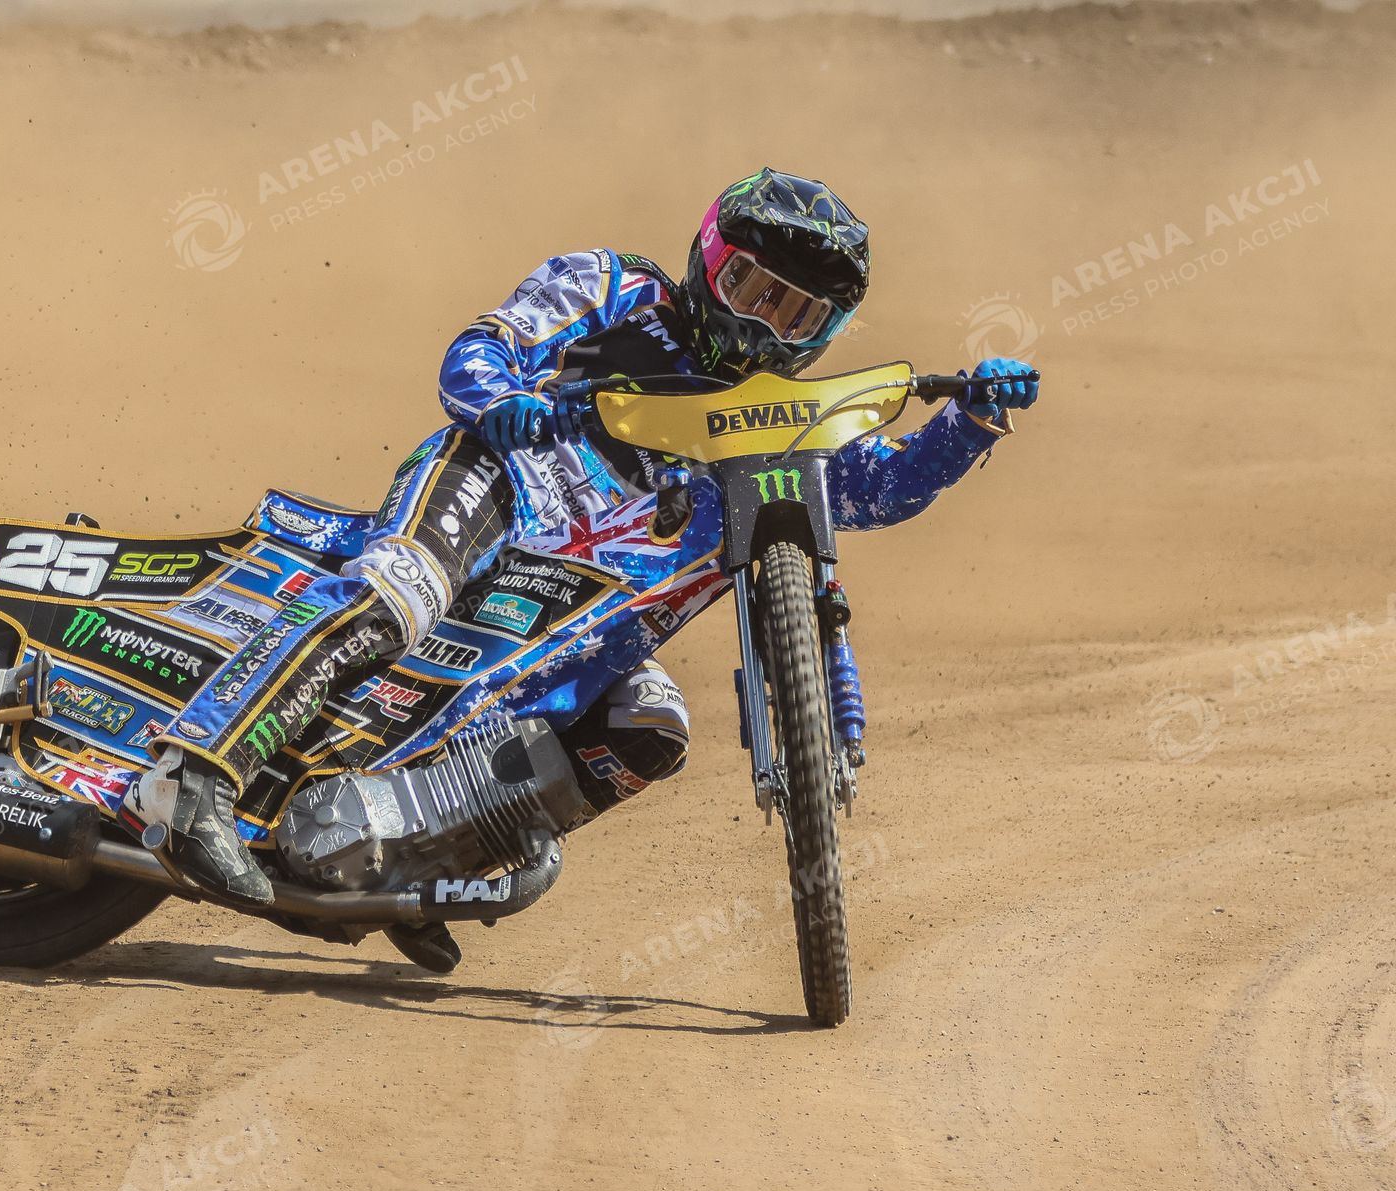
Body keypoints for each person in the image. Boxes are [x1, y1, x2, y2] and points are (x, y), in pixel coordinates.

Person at [133, 167, 1042, 937]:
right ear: (709, 262)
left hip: (578, 592)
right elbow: (481, 349)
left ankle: (408, 860)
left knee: (652, 725)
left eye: (797, 314)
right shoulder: (613, 285)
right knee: (394, 594)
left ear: (827, 334)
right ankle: (192, 778)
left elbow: (878, 487)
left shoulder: (778, 418)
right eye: (752, 290)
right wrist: (506, 403)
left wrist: (970, 421)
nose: (765, 325)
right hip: (498, 484)